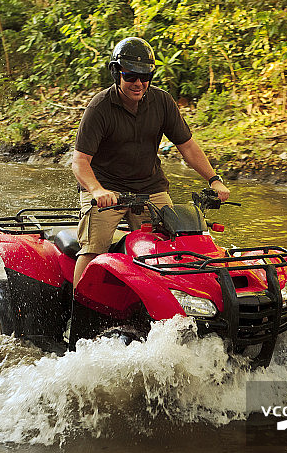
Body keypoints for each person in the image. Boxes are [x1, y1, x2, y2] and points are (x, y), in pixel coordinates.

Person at [71, 36, 230, 287]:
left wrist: (214, 179)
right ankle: (77, 309)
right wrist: (97, 190)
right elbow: (80, 161)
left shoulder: (162, 102)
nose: (138, 83)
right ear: (116, 73)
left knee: (176, 243)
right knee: (94, 247)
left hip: (150, 187)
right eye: (130, 76)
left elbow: (187, 145)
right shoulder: (99, 107)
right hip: (106, 189)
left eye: (144, 77)